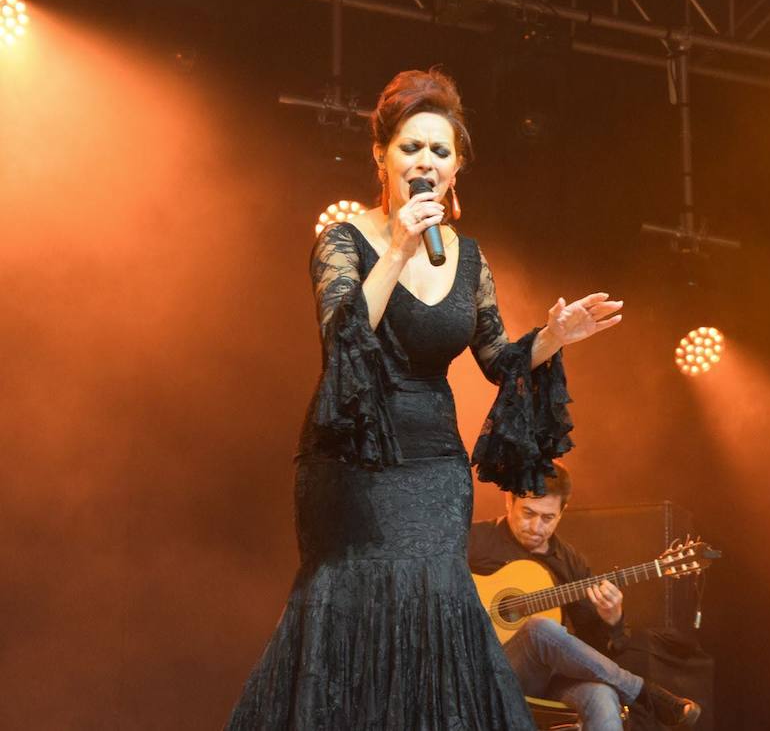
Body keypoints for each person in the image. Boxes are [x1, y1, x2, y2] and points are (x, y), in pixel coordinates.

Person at [226, 68, 623, 730]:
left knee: (437, 618)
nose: (425, 162)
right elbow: (344, 336)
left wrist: (553, 337)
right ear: (380, 155)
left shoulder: (469, 259)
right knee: (358, 617)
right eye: (412, 147)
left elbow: (500, 362)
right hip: (356, 464)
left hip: (437, 468)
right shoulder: (344, 241)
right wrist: (400, 245)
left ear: (457, 167)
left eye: (440, 151)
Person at [469, 462, 702, 729]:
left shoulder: (570, 562)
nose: (535, 526)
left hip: (546, 682)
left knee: (602, 694)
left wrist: (611, 621)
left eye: (547, 518)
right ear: (509, 501)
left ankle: (639, 693)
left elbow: (592, 653)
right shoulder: (474, 540)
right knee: (539, 628)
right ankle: (646, 694)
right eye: (528, 513)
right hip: (485, 674)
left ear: (562, 512)